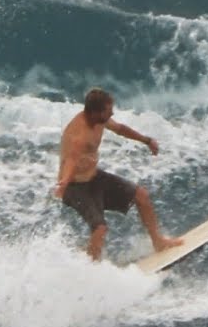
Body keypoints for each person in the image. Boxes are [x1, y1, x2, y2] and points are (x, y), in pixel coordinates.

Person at [54, 88, 182, 261]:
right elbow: (71, 160)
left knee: (141, 196)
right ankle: (90, 269)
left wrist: (147, 140)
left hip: (94, 178)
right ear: (95, 113)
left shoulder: (99, 121)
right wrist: (63, 184)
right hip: (75, 187)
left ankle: (158, 242)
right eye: (108, 110)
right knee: (99, 228)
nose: (112, 112)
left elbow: (120, 129)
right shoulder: (79, 135)